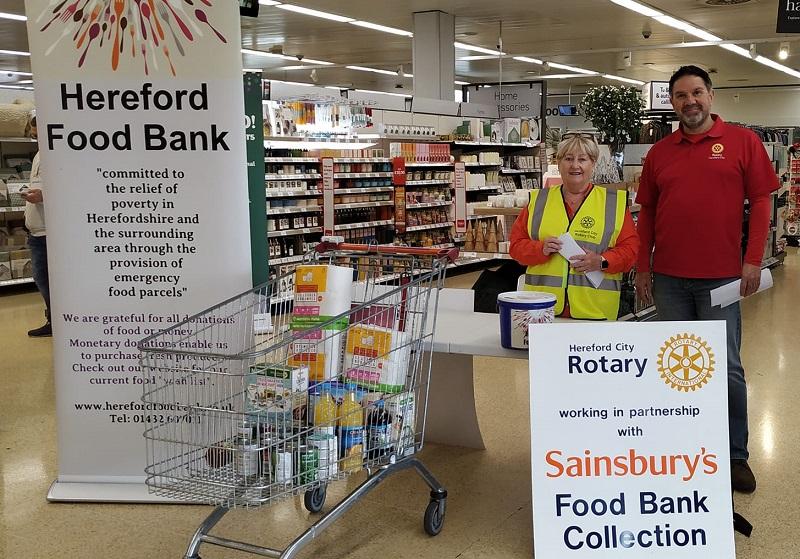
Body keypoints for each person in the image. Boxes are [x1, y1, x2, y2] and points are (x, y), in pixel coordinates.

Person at [635, 65, 779, 494]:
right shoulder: (660, 153)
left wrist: (753, 260)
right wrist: (643, 266)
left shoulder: (743, 143)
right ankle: (684, 444)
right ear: (673, 102)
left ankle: (735, 455)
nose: (689, 101)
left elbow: (763, 202)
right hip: (670, 279)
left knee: (726, 368)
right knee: (677, 366)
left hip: (721, 279)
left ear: (711, 96)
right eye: (680, 95)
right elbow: (648, 216)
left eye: (696, 92)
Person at [509, 133, 639, 320]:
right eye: (568, 159)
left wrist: (602, 261)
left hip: (595, 312)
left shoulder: (613, 203)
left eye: (582, 159)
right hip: (543, 309)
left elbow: (631, 252)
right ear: (559, 163)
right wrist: (540, 248)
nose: (575, 165)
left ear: (592, 163)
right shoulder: (538, 201)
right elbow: (516, 246)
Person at [21, 114, 51, 337]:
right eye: (33, 137)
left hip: (50, 232)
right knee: (42, 278)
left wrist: (44, 196)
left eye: (38, 136)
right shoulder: (39, 155)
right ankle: (53, 320)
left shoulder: (59, 155)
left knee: (47, 278)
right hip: (36, 230)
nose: (36, 140)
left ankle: (57, 321)